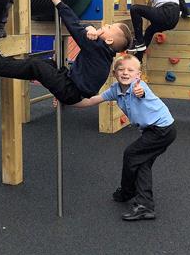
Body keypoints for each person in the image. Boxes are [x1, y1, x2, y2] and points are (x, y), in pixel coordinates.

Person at [0, 0, 131, 105]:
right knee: (47, 64)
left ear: (109, 40)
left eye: (109, 27)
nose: (105, 25)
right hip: (71, 84)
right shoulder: (104, 52)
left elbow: (73, 24)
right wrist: (91, 27)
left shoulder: (96, 47)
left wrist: (57, 1)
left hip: (70, 90)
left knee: (37, 66)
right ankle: (4, 63)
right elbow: (84, 29)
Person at [72, 55, 176, 221]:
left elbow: (141, 93)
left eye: (130, 70)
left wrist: (139, 92)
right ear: (114, 73)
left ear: (138, 75)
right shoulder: (115, 90)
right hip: (151, 131)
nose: (125, 73)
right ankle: (145, 206)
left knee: (131, 154)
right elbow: (92, 100)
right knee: (142, 164)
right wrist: (67, 102)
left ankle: (127, 191)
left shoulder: (140, 87)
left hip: (162, 130)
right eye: (121, 70)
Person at [116, 0, 181, 60]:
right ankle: (139, 57)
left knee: (135, 9)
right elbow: (150, 8)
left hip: (167, 11)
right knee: (149, 31)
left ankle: (139, 41)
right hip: (173, 19)